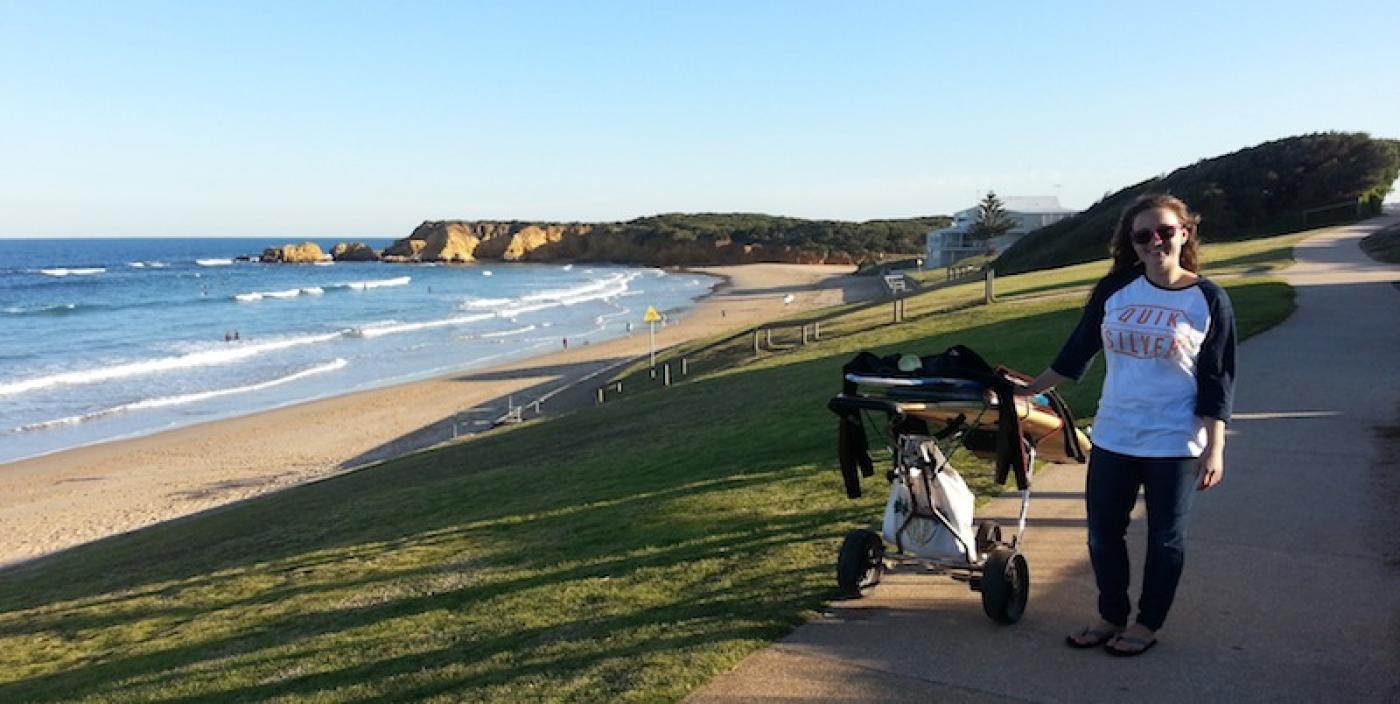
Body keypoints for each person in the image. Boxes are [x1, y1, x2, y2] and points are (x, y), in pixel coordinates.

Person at [1016, 194, 1236, 657]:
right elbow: (1077, 352)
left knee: (1165, 539)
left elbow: (1217, 378)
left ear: (1184, 234)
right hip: (1115, 435)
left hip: (1174, 441)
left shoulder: (1208, 299)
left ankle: (1147, 623)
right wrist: (1027, 390)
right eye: (1143, 236)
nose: (1155, 242)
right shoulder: (1116, 290)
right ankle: (1110, 615)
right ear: (1132, 243)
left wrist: (1215, 446)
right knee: (1102, 534)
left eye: (1165, 232)